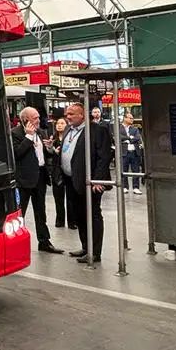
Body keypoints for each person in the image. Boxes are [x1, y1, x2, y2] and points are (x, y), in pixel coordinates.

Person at [61, 103, 113, 263]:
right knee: (79, 215)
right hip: (71, 180)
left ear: (82, 115)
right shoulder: (69, 129)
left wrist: (97, 180)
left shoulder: (97, 130)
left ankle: (95, 252)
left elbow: (104, 157)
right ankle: (86, 247)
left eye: (71, 114)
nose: (68, 117)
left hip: (90, 182)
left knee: (93, 214)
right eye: (67, 114)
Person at [11, 107, 64, 254]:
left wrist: (50, 149)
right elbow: (17, 154)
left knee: (41, 211)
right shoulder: (15, 133)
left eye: (39, 117)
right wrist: (28, 137)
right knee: (20, 212)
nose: (38, 120)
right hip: (24, 178)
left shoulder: (41, 132)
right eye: (35, 118)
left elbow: (45, 154)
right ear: (25, 119)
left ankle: (44, 241)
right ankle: (15, 243)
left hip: (40, 176)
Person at [47, 117, 76, 229]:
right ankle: (60, 220)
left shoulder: (70, 138)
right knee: (58, 197)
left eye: (62, 123)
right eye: (58, 123)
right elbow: (49, 154)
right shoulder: (52, 139)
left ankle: (72, 221)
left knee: (71, 198)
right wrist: (51, 149)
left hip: (69, 170)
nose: (59, 125)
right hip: (56, 171)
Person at [119, 113, 143, 194]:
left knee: (136, 170)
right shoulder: (119, 128)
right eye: (130, 118)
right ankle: (125, 187)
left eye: (132, 118)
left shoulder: (135, 129)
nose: (132, 120)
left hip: (134, 152)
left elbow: (137, 138)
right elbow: (119, 137)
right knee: (124, 170)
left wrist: (127, 140)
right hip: (124, 152)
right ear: (125, 118)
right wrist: (129, 137)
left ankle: (136, 187)